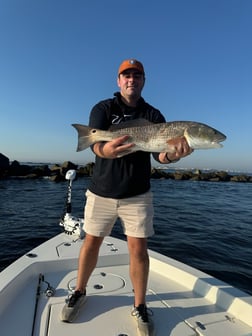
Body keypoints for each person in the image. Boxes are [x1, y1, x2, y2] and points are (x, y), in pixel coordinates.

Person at [61, 59, 193, 335]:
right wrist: (104, 151)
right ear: (118, 81)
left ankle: (140, 305)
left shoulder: (154, 114)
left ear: (144, 80)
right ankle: (79, 291)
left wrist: (174, 155)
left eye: (137, 75)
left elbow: (161, 155)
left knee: (139, 251)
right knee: (91, 244)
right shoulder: (104, 108)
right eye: (126, 75)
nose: (131, 80)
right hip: (101, 191)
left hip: (137, 194)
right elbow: (96, 143)